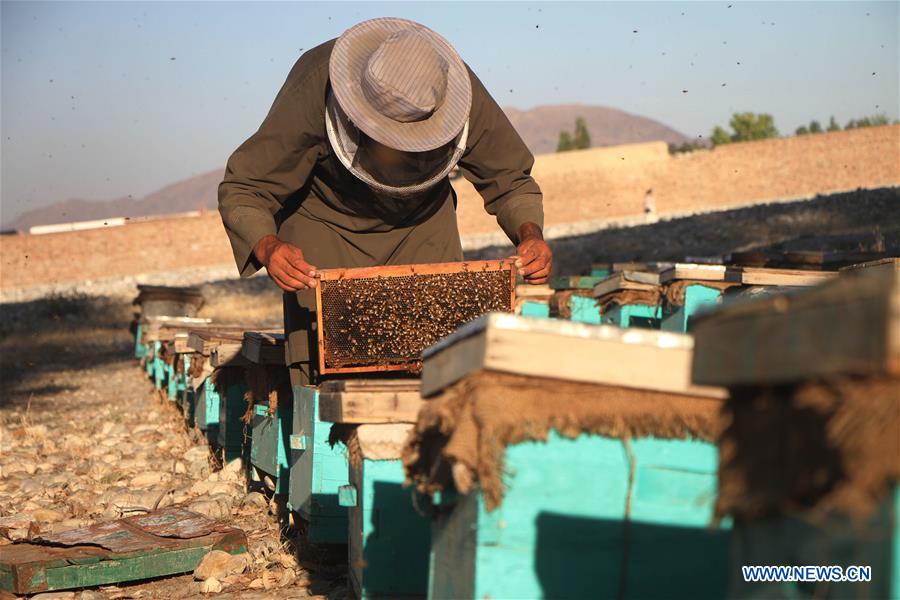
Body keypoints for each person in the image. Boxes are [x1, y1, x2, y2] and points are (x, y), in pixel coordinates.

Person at [218, 17, 553, 384]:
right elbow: (246, 186)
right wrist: (269, 247)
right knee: (325, 376)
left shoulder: (452, 88)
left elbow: (511, 178)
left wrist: (530, 234)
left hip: (421, 226)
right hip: (325, 226)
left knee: (443, 369)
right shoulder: (315, 82)